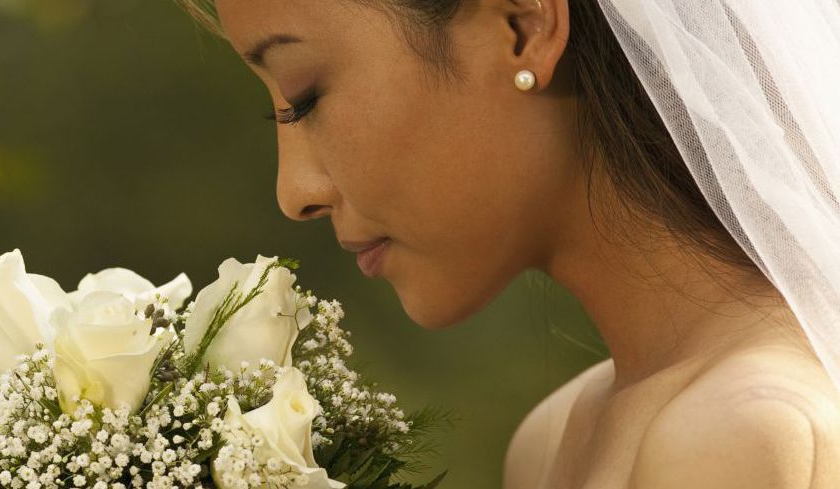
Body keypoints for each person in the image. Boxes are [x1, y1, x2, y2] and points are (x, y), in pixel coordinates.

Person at [176, 0, 840, 487]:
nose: (294, 192)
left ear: (523, 28)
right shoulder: (551, 441)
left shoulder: (748, 433)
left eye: (304, 96)